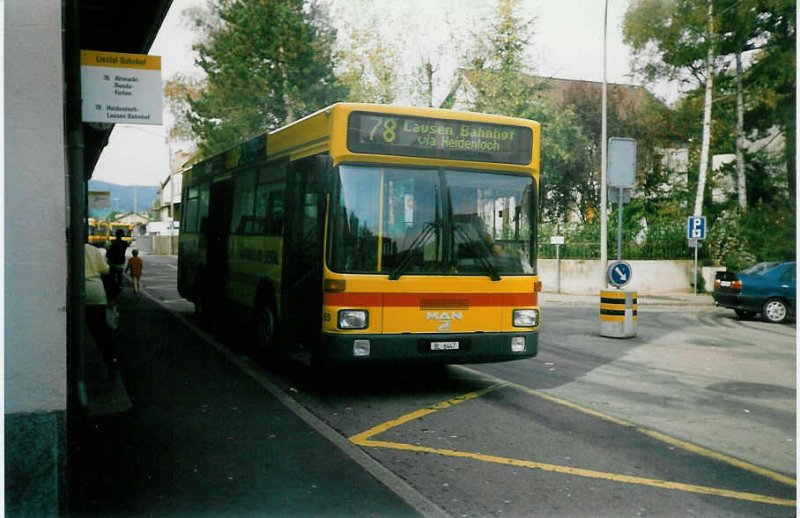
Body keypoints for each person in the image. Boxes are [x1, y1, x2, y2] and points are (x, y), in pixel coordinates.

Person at [85, 243, 119, 379]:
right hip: (96, 293)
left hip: (75, 292)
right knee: (101, 333)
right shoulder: (93, 249)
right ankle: (110, 362)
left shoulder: (64, 249)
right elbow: (105, 270)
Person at [106, 228, 129, 294]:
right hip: (121, 261)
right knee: (120, 274)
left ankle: (112, 287)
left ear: (115, 235)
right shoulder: (125, 243)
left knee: (112, 275)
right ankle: (119, 285)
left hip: (112, 261)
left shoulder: (111, 242)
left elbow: (107, 248)